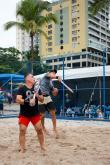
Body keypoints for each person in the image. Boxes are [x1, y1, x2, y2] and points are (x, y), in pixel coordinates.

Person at [16, 73, 45, 153]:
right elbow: (18, 100)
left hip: (34, 113)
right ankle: (22, 148)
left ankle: (42, 146)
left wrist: (38, 96)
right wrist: (27, 100)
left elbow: (42, 100)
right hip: (24, 114)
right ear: (27, 78)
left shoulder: (37, 88)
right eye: (32, 76)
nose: (33, 77)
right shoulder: (22, 88)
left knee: (39, 129)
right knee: (22, 130)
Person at [37, 69, 61, 138]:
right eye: (53, 72)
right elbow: (50, 75)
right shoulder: (45, 76)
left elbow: (54, 92)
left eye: (55, 73)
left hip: (48, 97)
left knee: (53, 112)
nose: (54, 74)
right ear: (49, 73)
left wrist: (55, 90)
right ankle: (43, 128)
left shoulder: (50, 82)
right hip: (41, 97)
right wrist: (57, 77)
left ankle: (54, 128)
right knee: (42, 115)